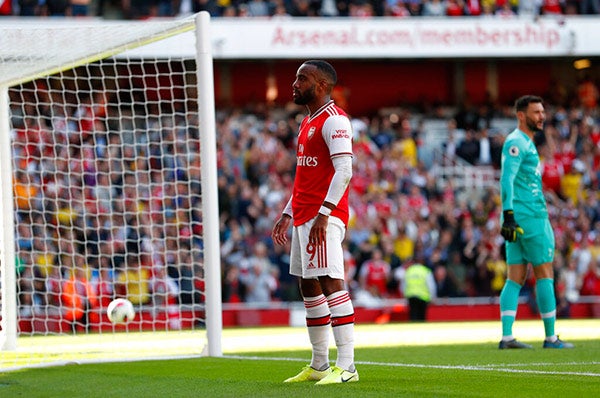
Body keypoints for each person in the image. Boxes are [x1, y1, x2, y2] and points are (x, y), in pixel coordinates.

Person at [272, 60, 358, 385]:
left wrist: (325, 213)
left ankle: (347, 366)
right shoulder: (307, 122)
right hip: (305, 216)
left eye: (301, 78)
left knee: (330, 281)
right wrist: (287, 212)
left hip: (324, 217)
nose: (294, 83)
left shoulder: (335, 121)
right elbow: (305, 177)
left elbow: (344, 171)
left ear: (320, 85)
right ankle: (320, 364)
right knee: (308, 286)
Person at [498, 95, 574, 349]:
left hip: (518, 217)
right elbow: (506, 179)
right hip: (530, 217)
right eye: (536, 112)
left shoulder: (523, 142)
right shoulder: (517, 142)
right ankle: (551, 337)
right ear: (521, 115)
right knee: (545, 273)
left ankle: (507, 337)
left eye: (543, 111)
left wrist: (508, 215)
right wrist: (508, 214)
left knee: (515, 277)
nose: (542, 116)